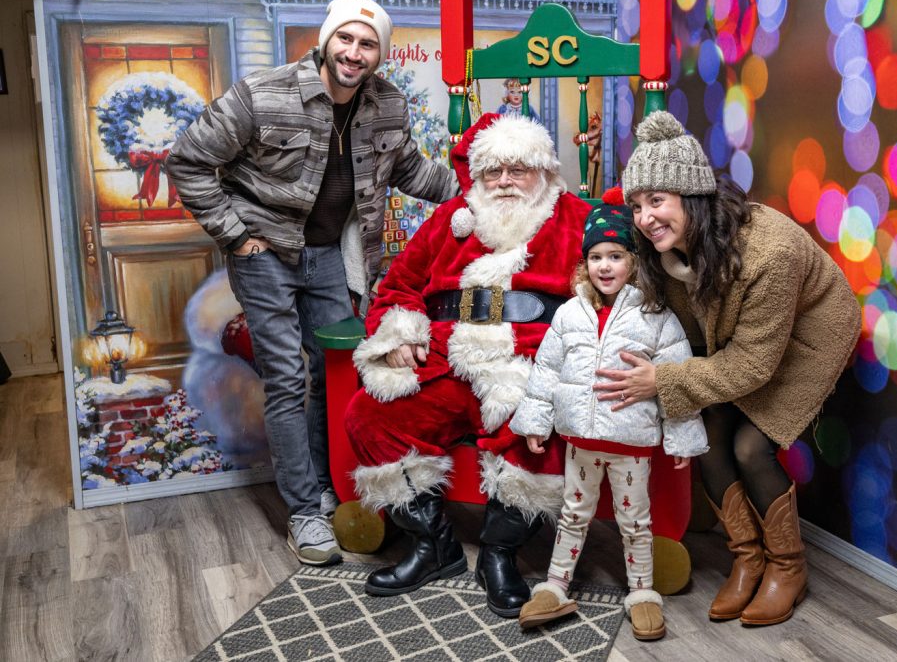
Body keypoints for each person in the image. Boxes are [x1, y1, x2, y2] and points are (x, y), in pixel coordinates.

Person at [166, 0, 459, 567]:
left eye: (368, 43)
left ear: (379, 54)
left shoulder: (387, 105)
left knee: (336, 372)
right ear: (326, 40)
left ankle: (329, 485)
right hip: (264, 254)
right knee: (285, 377)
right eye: (345, 39)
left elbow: (414, 172)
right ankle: (305, 512)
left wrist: (487, 187)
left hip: (327, 255)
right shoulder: (263, 92)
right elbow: (188, 159)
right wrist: (234, 234)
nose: (354, 52)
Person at [596, 111, 861, 626]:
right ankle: (747, 559)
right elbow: (679, 322)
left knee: (750, 445)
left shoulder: (770, 253)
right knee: (711, 434)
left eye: (657, 201)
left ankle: (788, 566)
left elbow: (754, 363)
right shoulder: (666, 250)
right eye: (637, 204)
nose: (645, 217)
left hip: (811, 331)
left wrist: (664, 381)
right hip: (742, 338)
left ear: (691, 197)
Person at [344, 112, 592, 617]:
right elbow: (399, 285)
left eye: (517, 170)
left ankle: (499, 555)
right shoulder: (449, 218)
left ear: (543, 171)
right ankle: (434, 546)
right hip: (446, 358)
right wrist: (399, 334)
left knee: (537, 428)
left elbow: (610, 294)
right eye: (492, 172)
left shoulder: (576, 219)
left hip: (530, 358)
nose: (503, 182)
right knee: (369, 415)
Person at [510, 192, 708, 641]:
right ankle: (556, 586)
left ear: (633, 262)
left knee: (634, 522)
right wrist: (536, 421)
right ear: (585, 264)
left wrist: (682, 437)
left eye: (616, 256)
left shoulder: (656, 317)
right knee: (573, 514)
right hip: (580, 443)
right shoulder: (569, 314)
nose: (605, 266)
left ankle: (641, 593)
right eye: (596, 256)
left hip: (630, 448)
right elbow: (546, 371)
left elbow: (676, 379)